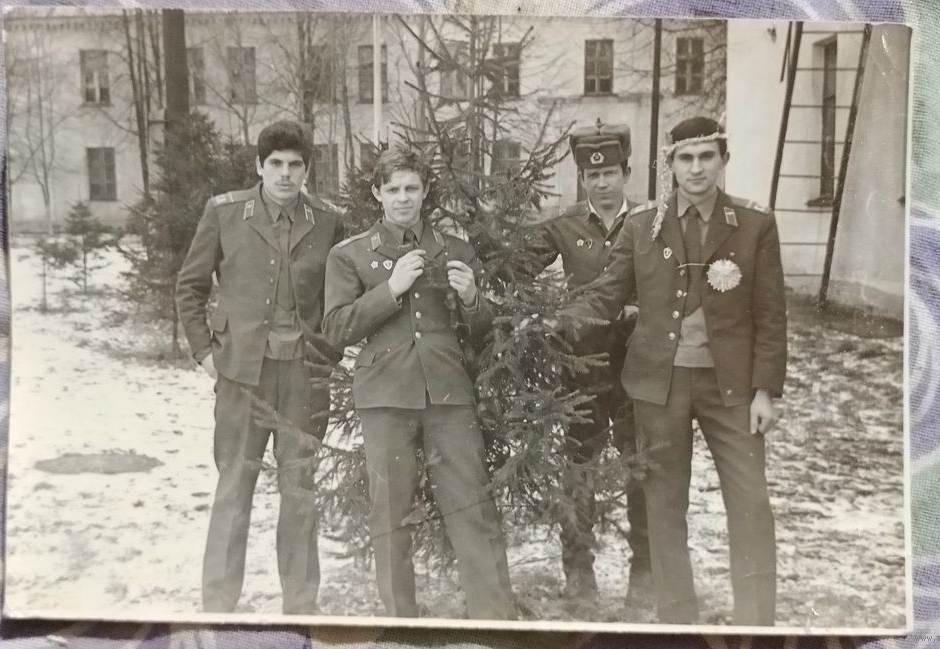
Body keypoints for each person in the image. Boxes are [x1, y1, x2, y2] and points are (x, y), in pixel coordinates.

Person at [563, 116, 787, 625]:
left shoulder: (754, 224)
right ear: (670, 165)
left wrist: (765, 391)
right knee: (664, 507)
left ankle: (757, 625)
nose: (696, 168)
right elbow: (606, 294)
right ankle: (677, 622)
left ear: (723, 160)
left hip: (732, 389)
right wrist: (552, 320)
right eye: (685, 158)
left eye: (707, 157)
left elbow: (772, 313)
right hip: (658, 386)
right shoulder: (644, 224)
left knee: (751, 504)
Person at [322, 146, 516, 620]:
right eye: (393, 189)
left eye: (412, 188)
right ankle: (400, 622)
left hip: (448, 394)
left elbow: (484, 335)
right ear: (377, 194)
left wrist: (472, 300)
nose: (403, 198)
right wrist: (389, 290)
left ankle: (494, 620)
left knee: (472, 506)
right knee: (390, 515)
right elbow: (335, 328)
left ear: (426, 191)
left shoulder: (455, 250)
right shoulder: (349, 255)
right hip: (385, 397)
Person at [175, 120, 343, 614]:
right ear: (259, 166)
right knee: (233, 491)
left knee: (300, 492)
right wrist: (206, 353)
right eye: (276, 164)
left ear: (307, 170)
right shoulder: (225, 213)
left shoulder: (329, 221)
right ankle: (218, 607)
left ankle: (301, 610)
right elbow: (190, 287)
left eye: (295, 165)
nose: (285, 174)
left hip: (304, 380)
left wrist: (328, 355)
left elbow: (343, 298)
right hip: (242, 378)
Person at [526, 120, 651, 610]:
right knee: (579, 470)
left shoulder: (651, 221)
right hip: (582, 369)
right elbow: (515, 264)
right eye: (592, 175)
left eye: (610, 173)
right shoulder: (566, 224)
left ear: (626, 173)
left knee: (641, 468)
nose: (601, 184)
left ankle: (645, 573)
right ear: (582, 178)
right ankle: (578, 573)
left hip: (638, 366)